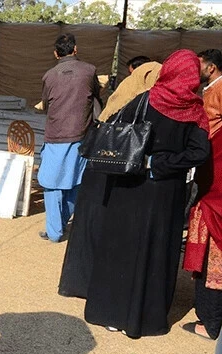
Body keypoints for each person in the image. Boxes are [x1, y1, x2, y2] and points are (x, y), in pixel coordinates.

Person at [83, 50, 210, 338]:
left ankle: (111, 312)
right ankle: (144, 318)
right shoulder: (195, 110)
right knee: (155, 252)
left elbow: (113, 121)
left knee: (121, 248)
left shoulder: (146, 98)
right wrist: (163, 164)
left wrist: (145, 158)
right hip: (166, 191)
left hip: (129, 186)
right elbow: (200, 152)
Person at [58, 61, 162, 299]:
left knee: (88, 228)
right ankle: (93, 284)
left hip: (98, 169)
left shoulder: (120, 96)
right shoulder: (142, 102)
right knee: (103, 230)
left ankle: (77, 284)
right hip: (116, 172)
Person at [38, 33, 101, 243]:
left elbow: (45, 103)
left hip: (56, 135)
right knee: (76, 181)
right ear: (75, 49)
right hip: (82, 135)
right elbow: (97, 95)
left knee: (51, 183)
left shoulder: (49, 75)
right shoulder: (89, 71)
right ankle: (61, 223)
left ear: (56, 53)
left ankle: (55, 230)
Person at [182, 49, 222, 341]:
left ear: (211, 67)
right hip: (211, 174)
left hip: (215, 182)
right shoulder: (211, 91)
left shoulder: (218, 92)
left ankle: (210, 321)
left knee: (212, 251)